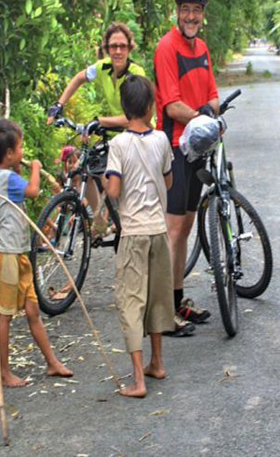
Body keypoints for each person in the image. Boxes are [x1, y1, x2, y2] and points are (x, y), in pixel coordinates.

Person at [154, 0, 219, 336]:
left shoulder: (203, 49)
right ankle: (162, 311)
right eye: (185, 9)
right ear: (177, 12)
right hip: (176, 147)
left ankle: (177, 300)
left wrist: (210, 117)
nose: (191, 16)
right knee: (173, 227)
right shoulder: (167, 48)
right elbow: (171, 105)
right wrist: (205, 118)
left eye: (196, 10)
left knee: (188, 223)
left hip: (200, 148)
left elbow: (212, 95)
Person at [0, 118, 73, 387]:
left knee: (33, 309)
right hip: (9, 255)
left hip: (19, 253)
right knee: (5, 314)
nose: (24, 153)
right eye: (21, 148)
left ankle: (52, 362)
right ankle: (4, 372)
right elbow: (33, 191)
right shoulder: (6, 178)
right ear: (10, 153)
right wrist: (36, 168)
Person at [103, 75, 175, 398]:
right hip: (159, 230)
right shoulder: (161, 140)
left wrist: (106, 183)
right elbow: (169, 182)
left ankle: (137, 380)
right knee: (158, 298)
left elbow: (114, 189)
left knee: (131, 301)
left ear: (124, 108)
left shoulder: (117, 145)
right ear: (149, 107)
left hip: (132, 233)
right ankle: (157, 362)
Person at [47, 22, 146, 236]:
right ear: (107, 49)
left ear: (129, 48)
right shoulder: (103, 67)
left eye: (122, 46)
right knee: (86, 165)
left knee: (109, 173)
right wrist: (59, 105)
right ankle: (99, 220)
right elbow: (79, 77)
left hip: (137, 133)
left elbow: (135, 118)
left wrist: (100, 120)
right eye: (113, 46)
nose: (118, 51)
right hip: (114, 133)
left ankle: (121, 215)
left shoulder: (136, 74)